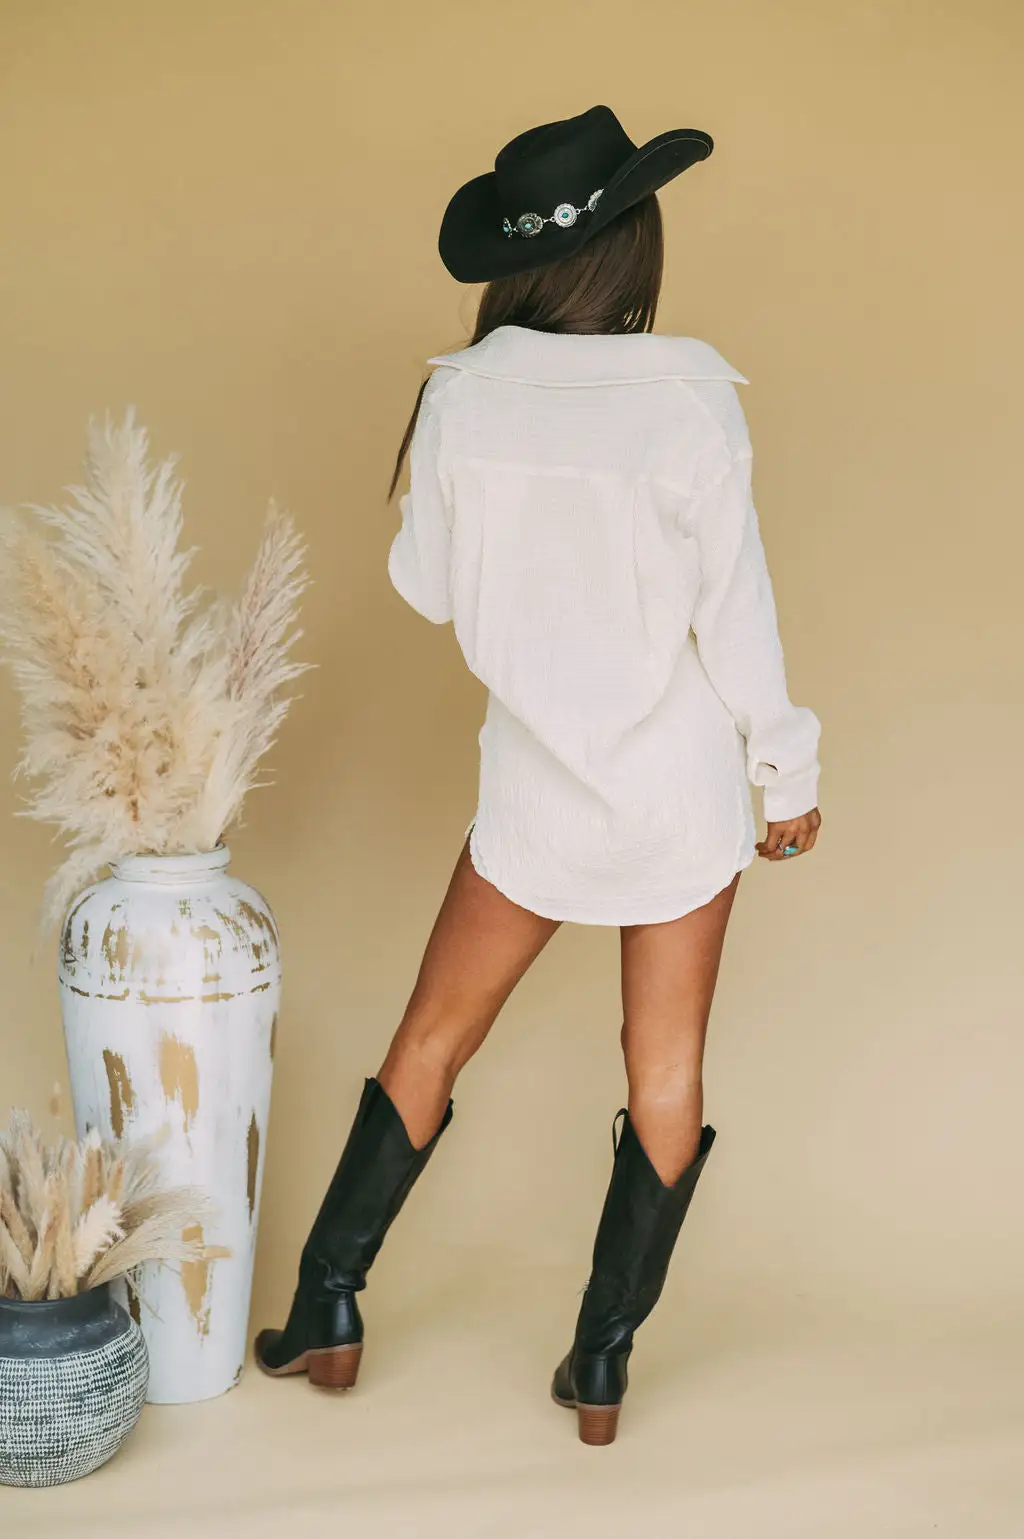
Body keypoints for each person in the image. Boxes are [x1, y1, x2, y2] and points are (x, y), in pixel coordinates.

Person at [255, 104, 822, 1446]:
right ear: (633, 249)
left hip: (534, 788)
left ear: (521, 258)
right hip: (679, 789)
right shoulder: (693, 400)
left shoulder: (462, 396)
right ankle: (602, 1366)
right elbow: (738, 616)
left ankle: (327, 1304)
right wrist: (785, 769)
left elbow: (430, 591)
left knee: (431, 1036)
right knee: (665, 1069)